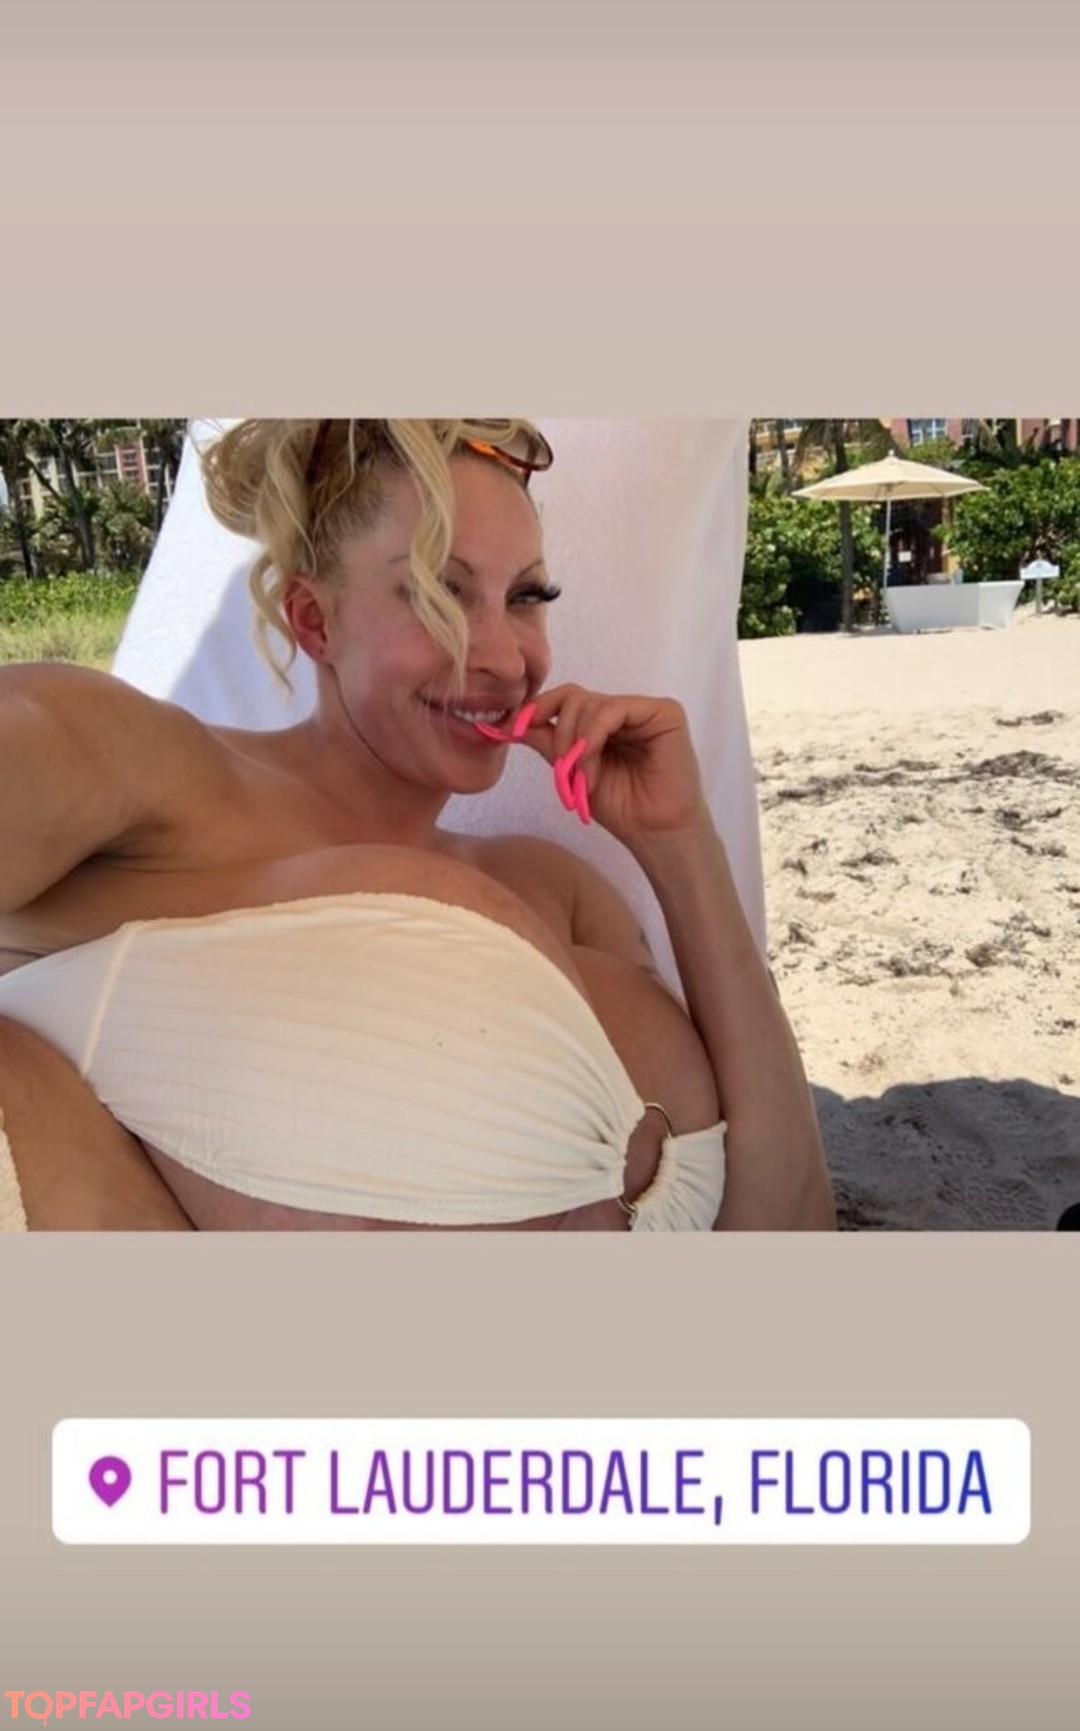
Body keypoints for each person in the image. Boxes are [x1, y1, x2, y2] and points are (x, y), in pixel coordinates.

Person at [0, 418, 835, 1232]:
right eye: (440, 592)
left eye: (527, 597)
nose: (504, 658)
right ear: (314, 620)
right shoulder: (153, 774)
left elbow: (788, 1219)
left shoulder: (562, 889)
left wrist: (680, 842)